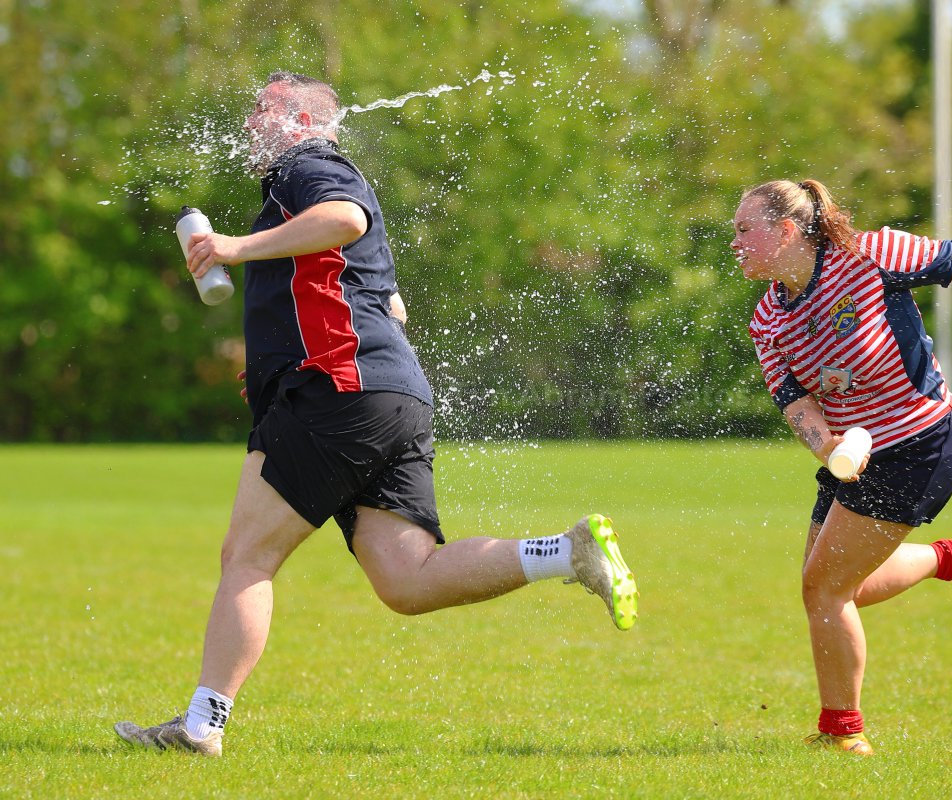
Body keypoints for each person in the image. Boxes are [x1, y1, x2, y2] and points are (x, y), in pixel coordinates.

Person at [114, 72, 638, 757]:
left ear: (302, 117)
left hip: (338, 390)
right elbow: (386, 304)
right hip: (389, 396)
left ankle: (202, 725)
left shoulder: (307, 164)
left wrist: (237, 250)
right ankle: (567, 553)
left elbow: (344, 219)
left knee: (246, 556)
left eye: (263, 108)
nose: (249, 122)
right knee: (407, 579)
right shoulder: (297, 186)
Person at [731, 173, 952, 755]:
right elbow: (795, 402)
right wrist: (830, 451)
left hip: (921, 443)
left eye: (745, 230)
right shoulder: (769, 318)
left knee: (825, 592)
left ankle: (843, 737)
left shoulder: (870, 256)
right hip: (854, 458)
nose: (735, 242)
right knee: (840, 590)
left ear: (787, 230)